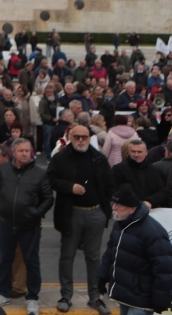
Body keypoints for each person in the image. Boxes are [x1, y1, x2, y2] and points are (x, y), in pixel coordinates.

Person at [47, 124, 113, 315]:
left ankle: (95, 297)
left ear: (89, 138)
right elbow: (50, 179)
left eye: (84, 137)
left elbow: (110, 184)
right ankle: (66, 295)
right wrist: (69, 187)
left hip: (95, 213)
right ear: (70, 136)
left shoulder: (98, 158)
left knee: (93, 257)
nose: (81, 140)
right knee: (67, 256)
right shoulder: (60, 157)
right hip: (71, 213)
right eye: (77, 137)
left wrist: (104, 211)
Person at [0, 138, 52, 314]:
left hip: (29, 227)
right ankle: (4, 293)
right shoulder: (4, 169)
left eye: (27, 151)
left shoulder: (39, 173)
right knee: (5, 260)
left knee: (31, 262)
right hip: (6, 224)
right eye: (21, 151)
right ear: (13, 153)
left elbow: (48, 198)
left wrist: (35, 213)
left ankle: (32, 297)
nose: (25, 154)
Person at [96, 184, 172, 315]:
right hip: (124, 295)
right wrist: (102, 276)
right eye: (113, 203)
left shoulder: (153, 233)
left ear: (132, 209)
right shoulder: (120, 223)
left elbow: (165, 270)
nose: (113, 208)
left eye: (119, 205)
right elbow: (111, 252)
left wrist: (161, 300)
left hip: (141, 300)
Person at [111, 139, 168, 210]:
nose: (136, 154)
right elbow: (114, 191)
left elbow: (162, 192)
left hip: (150, 210)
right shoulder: (118, 169)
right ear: (129, 152)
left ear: (146, 152)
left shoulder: (154, 170)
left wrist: (150, 201)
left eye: (139, 152)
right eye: (133, 151)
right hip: (127, 211)